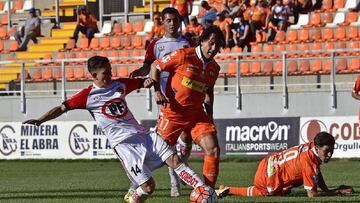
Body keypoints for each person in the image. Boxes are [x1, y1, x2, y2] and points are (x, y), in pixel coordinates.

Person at [23, 56, 207, 203]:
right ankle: (133, 198)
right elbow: (61, 108)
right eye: (105, 73)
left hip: (144, 136)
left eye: (110, 71)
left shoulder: (120, 85)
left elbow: (143, 82)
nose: (110, 75)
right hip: (124, 145)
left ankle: (204, 191)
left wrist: (150, 82)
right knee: (149, 188)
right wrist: (40, 120)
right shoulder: (87, 96)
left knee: (175, 159)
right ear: (94, 75)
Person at [129, 7, 196, 198]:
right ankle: (173, 183)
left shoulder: (188, 42)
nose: (172, 24)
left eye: (175, 20)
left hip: (187, 98)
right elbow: (148, 65)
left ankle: (179, 168)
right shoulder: (155, 45)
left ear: (180, 22)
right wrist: (139, 73)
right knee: (169, 143)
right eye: (168, 20)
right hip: (166, 101)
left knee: (187, 140)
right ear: (163, 23)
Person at [150, 26, 225, 190]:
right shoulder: (184, 55)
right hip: (173, 113)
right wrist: (156, 91)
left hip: (197, 114)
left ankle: (208, 192)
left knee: (213, 149)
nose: (213, 49)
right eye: (211, 43)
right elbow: (155, 66)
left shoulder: (214, 68)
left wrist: (210, 115)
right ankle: (136, 185)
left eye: (217, 46)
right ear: (202, 40)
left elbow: (208, 92)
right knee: (156, 156)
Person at [215, 132, 354, 198]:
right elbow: (312, 195)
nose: (329, 154)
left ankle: (285, 189)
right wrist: (336, 192)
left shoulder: (311, 148)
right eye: (327, 151)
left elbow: (316, 171)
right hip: (268, 174)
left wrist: (328, 188)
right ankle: (228, 189)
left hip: (270, 163)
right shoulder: (309, 161)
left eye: (332, 150)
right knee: (267, 193)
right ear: (317, 148)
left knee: (301, 179)